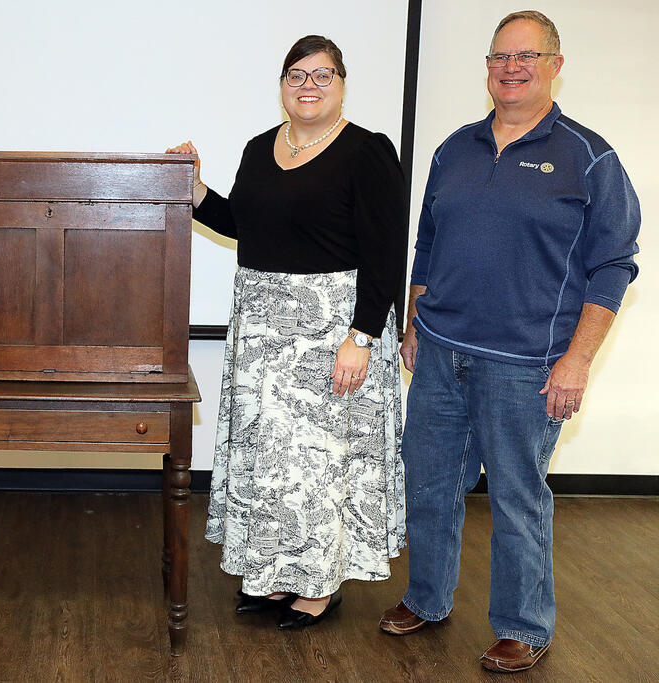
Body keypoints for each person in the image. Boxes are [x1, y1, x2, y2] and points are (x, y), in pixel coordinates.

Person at [378, 11, 640, 673]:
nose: (512, 68)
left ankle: (523, 625)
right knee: (430, 484)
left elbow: (614, 265)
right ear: (488, 67)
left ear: (556, 64)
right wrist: (414, 316)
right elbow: (427, 241)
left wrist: (577, 358)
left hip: (527, 365)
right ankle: (427, 596)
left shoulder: (590, 157)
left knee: (517, 495)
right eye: (500, 57)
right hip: (439, 352)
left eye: (527, 56)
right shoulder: (454, 149)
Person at [167, 34, 408, 630]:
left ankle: (320, 584)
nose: (308, 85)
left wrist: (363, 336)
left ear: (342, 84)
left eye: (322, 75)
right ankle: (274, 576)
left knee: (322, 463)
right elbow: (241, 223)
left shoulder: (367, 151)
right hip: (262, 329)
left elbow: (385, 252)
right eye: (296, 74)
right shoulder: (257, 148)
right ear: (281, 85)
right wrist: (196, 191)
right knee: (269, 460)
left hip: (334, 331)